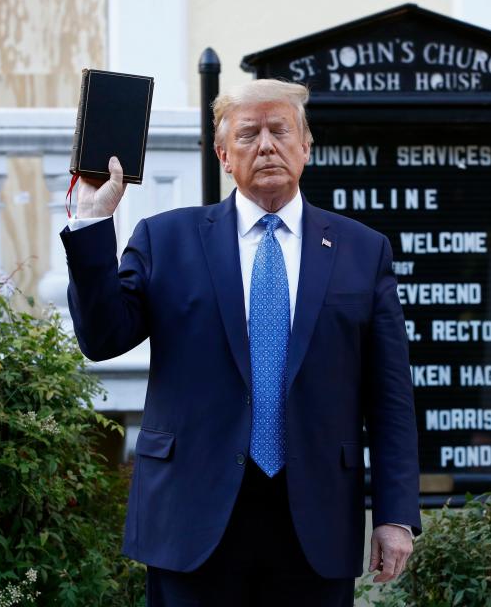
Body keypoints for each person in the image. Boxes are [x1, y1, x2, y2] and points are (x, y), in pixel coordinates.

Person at [60, 78, 421, 606]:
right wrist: (94, 222)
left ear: (306, 146)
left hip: (315, 518)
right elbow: (102, 337)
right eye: (249, 134)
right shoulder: (166, 239)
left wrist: (395, 514)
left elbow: (390, 398)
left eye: (281, 130)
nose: (267, 145)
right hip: (191, 517)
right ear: (224, 155)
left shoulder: (362, 251)